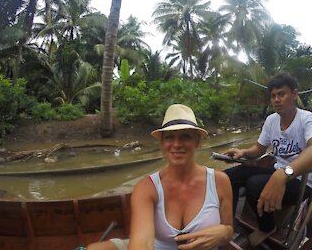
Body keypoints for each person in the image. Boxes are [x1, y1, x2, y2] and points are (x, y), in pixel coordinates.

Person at [87, 104, 234, 250]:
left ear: (197, 142)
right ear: (162, 143)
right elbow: (142, 243)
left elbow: (228, 231)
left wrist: (225, 232)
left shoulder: (219, 181)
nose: (177, 144)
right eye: (170, 137)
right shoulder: (146, 188)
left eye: (185, 137)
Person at [222, 72, 312, 247]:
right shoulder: (271, 120)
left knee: (254, 184)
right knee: (229, 176)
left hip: (302, 181)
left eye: (282, 94)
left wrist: (284, 174)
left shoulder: (308, 119)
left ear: (294, 94)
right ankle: (226, 225)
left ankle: (267, 227)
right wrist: (243, 152)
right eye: (273, 96)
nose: (277, 99)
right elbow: (259, 149)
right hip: (278, 172)